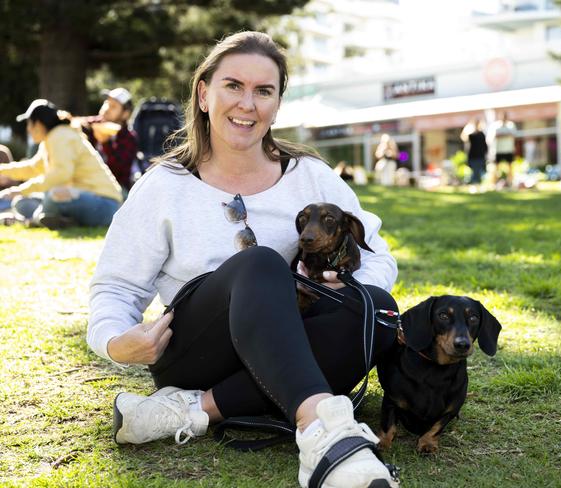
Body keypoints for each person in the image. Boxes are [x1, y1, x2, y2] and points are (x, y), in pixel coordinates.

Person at [87, 31, 399, 488]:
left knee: (380, 312)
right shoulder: (164, 185)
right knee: (261, 264)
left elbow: (376, 254)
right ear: (204, 94)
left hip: (292, 347)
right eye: (233, 85)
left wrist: (345, 286)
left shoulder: (310, 175)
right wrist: (116, 342)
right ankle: (324, 437)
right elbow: (115, 287)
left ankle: (196, 410)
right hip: (198, 352)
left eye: (263, 91)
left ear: (276, 104)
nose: (247, 104)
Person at [0, 99, 123, 228]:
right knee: (21, 203)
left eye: (29, 124)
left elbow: (61, 175)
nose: (28, 130)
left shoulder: (60, 136)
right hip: (83, 200)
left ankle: (38, 219)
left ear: (38, 124)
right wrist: (3, 171)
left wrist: (20, 190)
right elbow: (33, 168)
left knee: (53, 195)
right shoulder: (50, 139)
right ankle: (54, 219)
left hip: (105, 204)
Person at [78, 87, 138, 194]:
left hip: (116, 190)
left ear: (125, 114)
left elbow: (118, 172)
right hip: (88, 184)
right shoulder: (95, 124)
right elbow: (77, 123)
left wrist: (106, 143)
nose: (106, 108)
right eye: (106, 103)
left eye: (113, 106)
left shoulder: (129, 138)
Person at [489, 111, 517, 187]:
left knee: (510, 168)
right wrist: (506, 135)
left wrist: (503, 135)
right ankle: (494, 183)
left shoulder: (511, 125)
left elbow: (513, 135)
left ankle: (510, 182)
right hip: (498, 150)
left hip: (508, 149)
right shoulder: (496, 125)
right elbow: (494, 136)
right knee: (496, 168)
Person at [461, 118, 488, 185]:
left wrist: (485, 153)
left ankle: (476, 183)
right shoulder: (471, 135)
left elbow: (485, 145)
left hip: (480, 155)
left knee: (478, 171)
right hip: (473, 155)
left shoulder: (482, 134)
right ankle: (474, 183)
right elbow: (464, 138)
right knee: (474, 170)